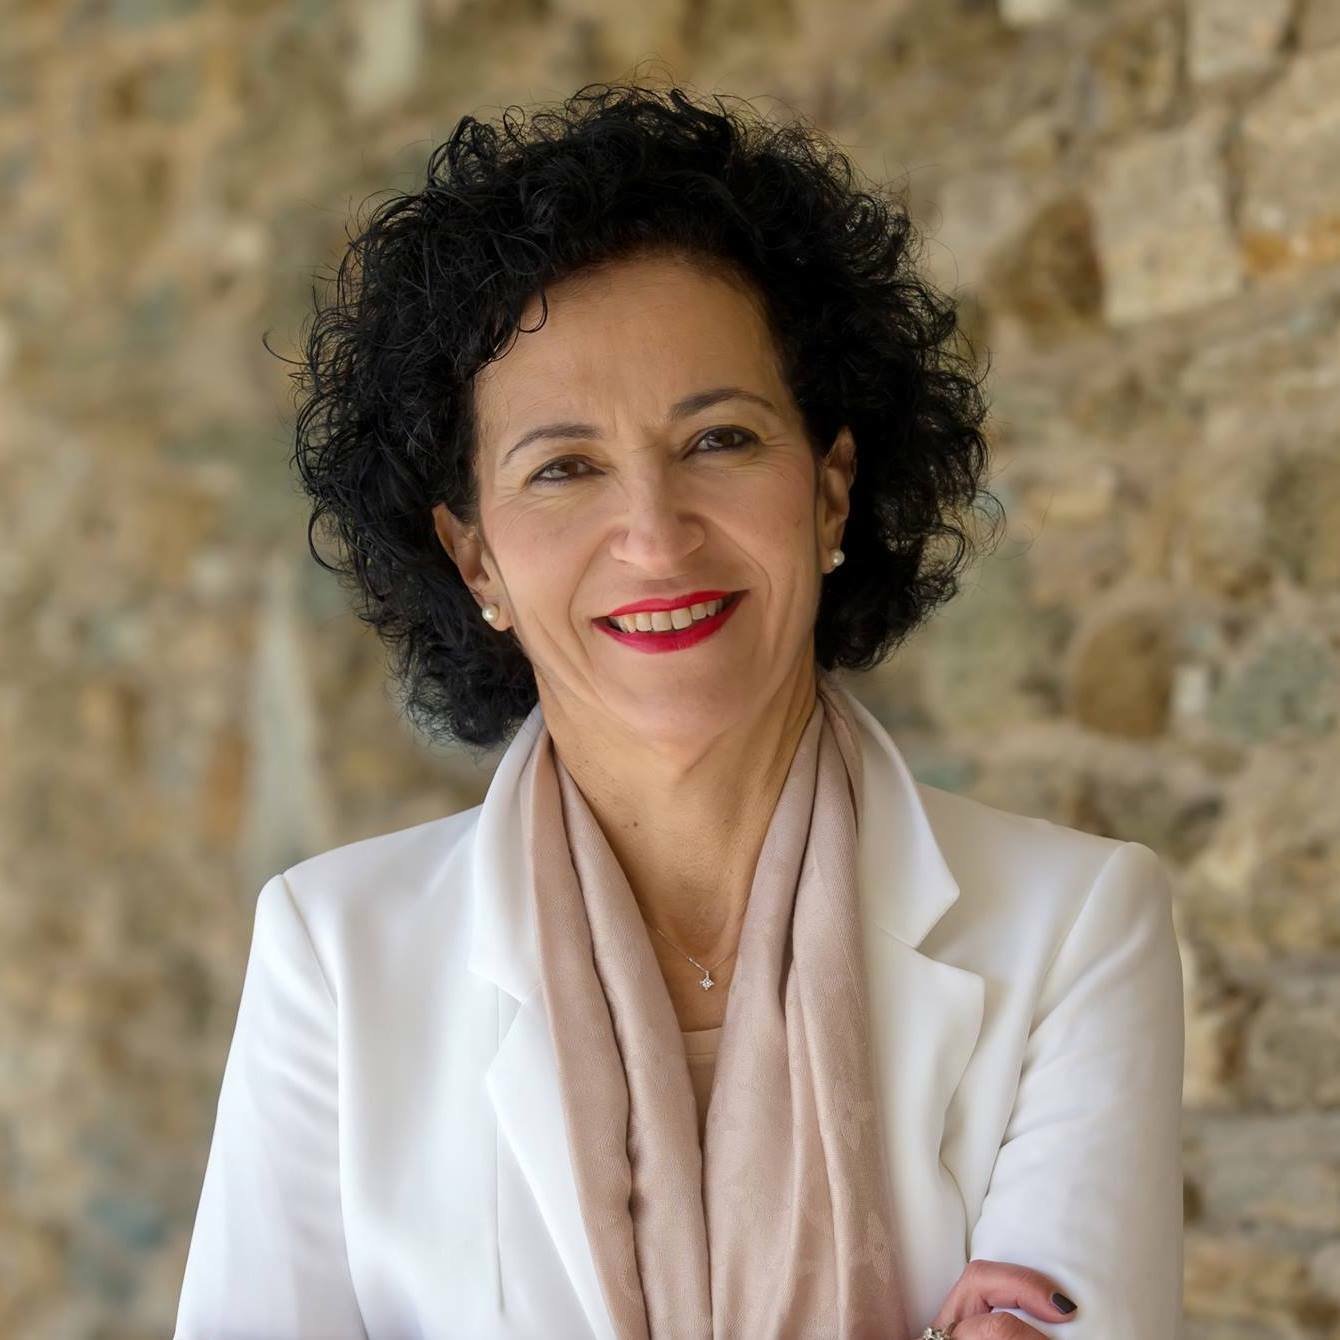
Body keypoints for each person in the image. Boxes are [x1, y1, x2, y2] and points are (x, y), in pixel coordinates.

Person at [174, 82, 1185, 1339]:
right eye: (563, 467)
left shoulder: (1072, 928)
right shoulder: (335, 954)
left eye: (718, 440)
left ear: (828, 491)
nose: (654, 536)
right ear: (475, 555)